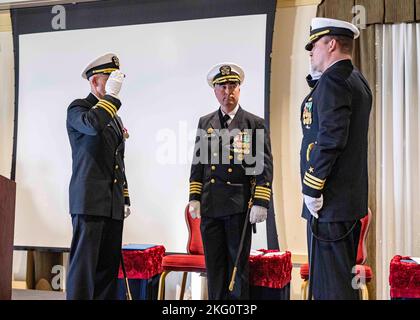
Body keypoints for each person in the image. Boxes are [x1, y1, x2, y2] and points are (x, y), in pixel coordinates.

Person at [300, 18, 372, 300]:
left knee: (330, 290)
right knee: (339, 285)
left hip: (328, 202)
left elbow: (331, 139)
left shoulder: (334, 80)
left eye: (314, 45)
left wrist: (312, 187)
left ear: (330, 44)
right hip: (345, 204)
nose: (311, 52)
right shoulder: (355, 78)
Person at [188, 63, 273, 300]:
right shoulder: (206, 122)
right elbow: (198, 164)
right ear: (215, 91)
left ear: (239, 88)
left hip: (238, 206)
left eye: (233, 86)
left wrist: (261, 201)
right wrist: (194, 197)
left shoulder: (253, 123)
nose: (228, 91)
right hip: (211, 205)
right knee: (215, 268)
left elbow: (264, 165)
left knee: (238, 268)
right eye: (222, 86)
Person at [66, 53, 131, 299]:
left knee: (106, 272)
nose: (117, 83)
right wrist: (112, 98)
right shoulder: (78, 108)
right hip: (89, 202)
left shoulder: (115, 117)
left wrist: (124, 197)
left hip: (111, 204)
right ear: (94, 83)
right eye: (110, 78)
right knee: (84, 272)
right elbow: (92, 125)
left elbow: (118, 162)